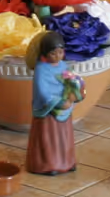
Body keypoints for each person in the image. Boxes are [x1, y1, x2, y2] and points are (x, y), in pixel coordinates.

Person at [25, 31, 83, 175]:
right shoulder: (41, 69)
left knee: (64, 137)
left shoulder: (63, 65)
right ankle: (48, 165)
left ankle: (67, 162)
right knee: (49, 138)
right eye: (53, 53)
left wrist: (73, 92)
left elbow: (71, 80)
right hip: (49, 110)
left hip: (65, 107)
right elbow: (42, 91)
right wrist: (58, 102)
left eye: (60, 52)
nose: (57, 56)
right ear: (45, 53)